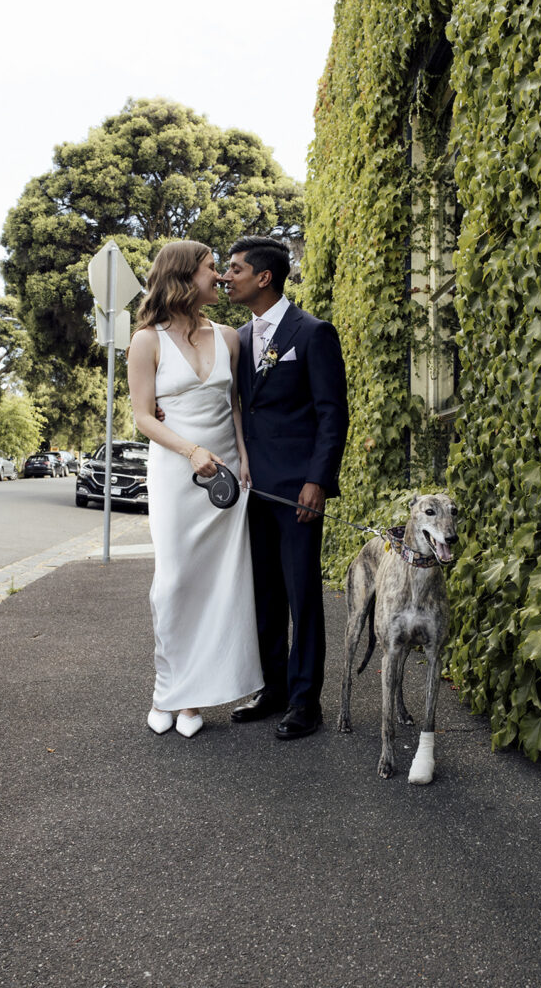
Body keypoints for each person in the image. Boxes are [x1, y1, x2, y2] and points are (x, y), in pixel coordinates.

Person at [128, 240, 263, 739]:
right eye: (212, 269)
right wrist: (190, 451)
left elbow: (235, 407)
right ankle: (168, 690)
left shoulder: (229, 336)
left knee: (221, 588)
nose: (221, 277)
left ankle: (194, 701)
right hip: (176, 475)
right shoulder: (147, 341)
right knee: (176, 582)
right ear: (185, 277)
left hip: (226, 479)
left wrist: (244, 460)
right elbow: (143, 416)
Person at [222, 236, 349, 739]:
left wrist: (317, 480)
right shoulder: (235, 338)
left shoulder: (313, 333)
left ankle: (304, 702)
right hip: (250, 490)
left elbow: (331, 414)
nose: (225, 277)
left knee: (301, 595)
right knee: (264, 595)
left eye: (234, 269)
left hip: (298, 491)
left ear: (264, 277)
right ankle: (272, 687)